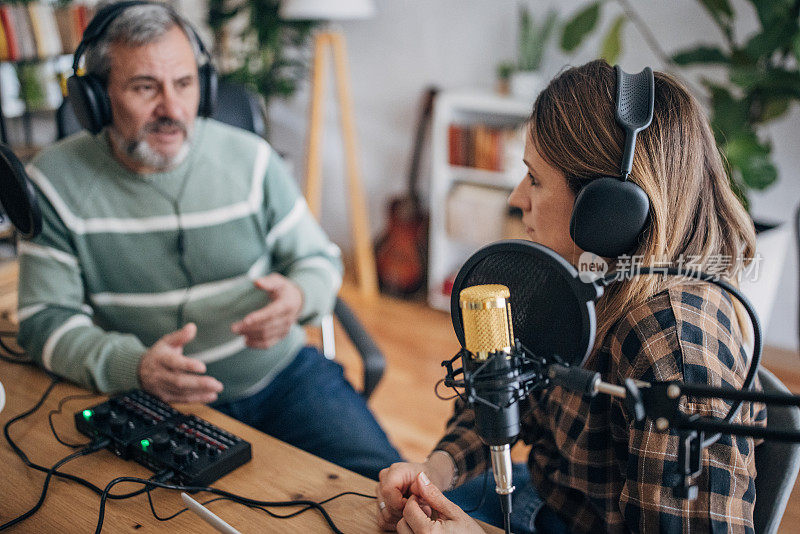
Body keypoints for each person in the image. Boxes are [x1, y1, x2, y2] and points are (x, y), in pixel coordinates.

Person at [376, 60, 766, 533]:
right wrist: (437, 471)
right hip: (545, 501)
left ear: (609, 212)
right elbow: (505, 389)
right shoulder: (573, 273)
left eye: (535, 179)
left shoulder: (676, 350)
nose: (517, 199)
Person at [16, 1, 401, 480]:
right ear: (94, 97)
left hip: (281, 378)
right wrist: (131, 367)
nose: (173, 110)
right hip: (148, 400)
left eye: (184, 84)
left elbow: (317, 258)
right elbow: (43, 320)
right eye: (144, 88)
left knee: (397, 491)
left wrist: (299, 295)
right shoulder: (52, 182)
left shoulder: (253, 160)